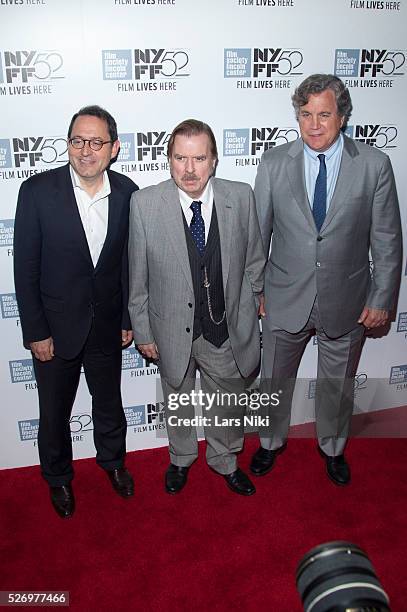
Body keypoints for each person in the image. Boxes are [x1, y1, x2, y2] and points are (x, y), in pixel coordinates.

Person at [250, 74, 402, 486]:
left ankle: (332, 448)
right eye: (305, 115)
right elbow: (258, 234)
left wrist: (381, 297)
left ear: (343, 116)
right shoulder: (274, 162)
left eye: (324, 114)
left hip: (348, 296)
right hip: (284, 293)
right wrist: (257, 289)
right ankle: (269, 442)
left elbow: (387, 239)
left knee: (338, 382)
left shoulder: (373, 165)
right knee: (275, 377)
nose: (314, 125)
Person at [128, 119, 265, 495]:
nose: (189, 169)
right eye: (180, 158)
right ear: (168, 159)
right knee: (177, 398)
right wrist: (143, 331)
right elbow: (136, 277)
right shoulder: (144, 204)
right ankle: (181, 458)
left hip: (224, 328)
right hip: (169, 329)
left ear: (214, 160)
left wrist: (248, 310)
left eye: (199, 158)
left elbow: (255, 261)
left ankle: (225, 460)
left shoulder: (241, 196)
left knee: (228, 401)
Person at [14, 105, 138, 518]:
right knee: (53, 414)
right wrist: (36, 330)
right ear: (68, 145)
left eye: (96, 142)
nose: (86, 150)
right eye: (78, 141)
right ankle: (58, 478)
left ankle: (113, 463)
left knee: (109, 404)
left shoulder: (127, 193)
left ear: (114, 148)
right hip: (55, 329)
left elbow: (126, 264)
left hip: (106, 327)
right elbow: (25, 267)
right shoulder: (36, 192)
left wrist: (126, 320)